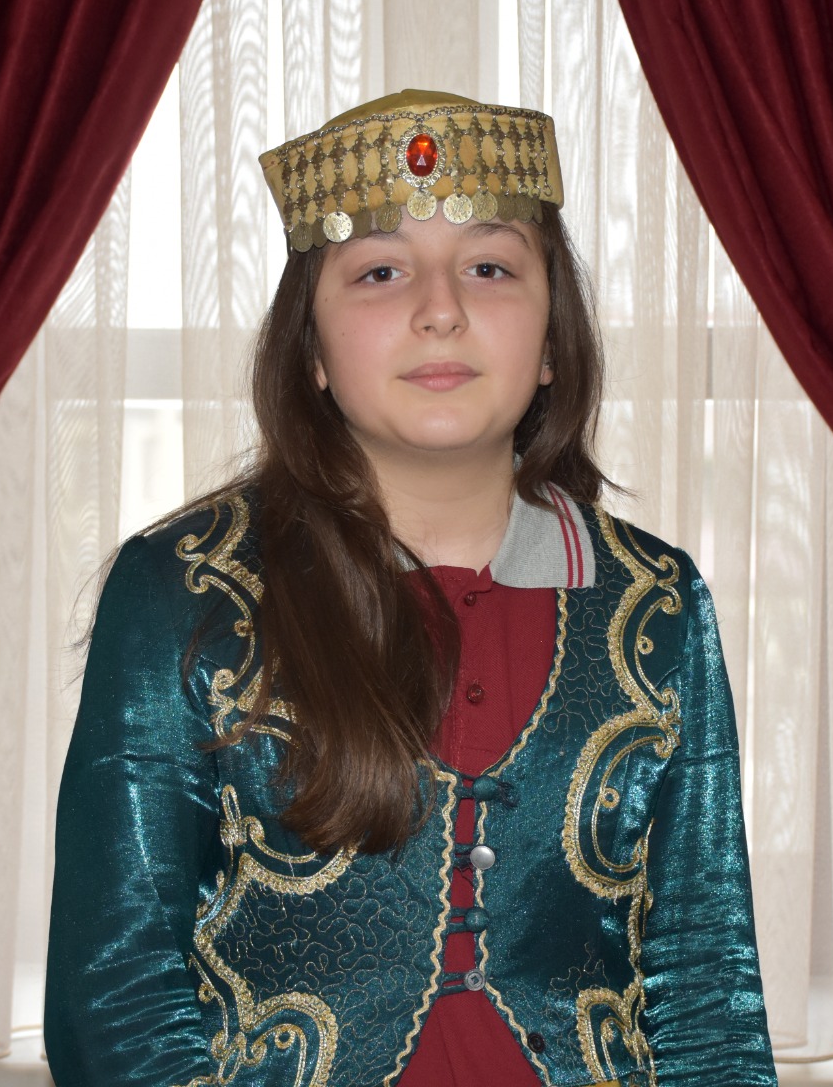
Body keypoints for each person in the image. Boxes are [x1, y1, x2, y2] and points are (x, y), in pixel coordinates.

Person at [45, 89, 776, 1087]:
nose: (441, 310)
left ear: (552, 340)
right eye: (381, 272)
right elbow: (116, 991)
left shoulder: (655, 601)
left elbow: (705, 980)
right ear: (311, 349)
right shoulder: (186, 592)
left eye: (489, 267)